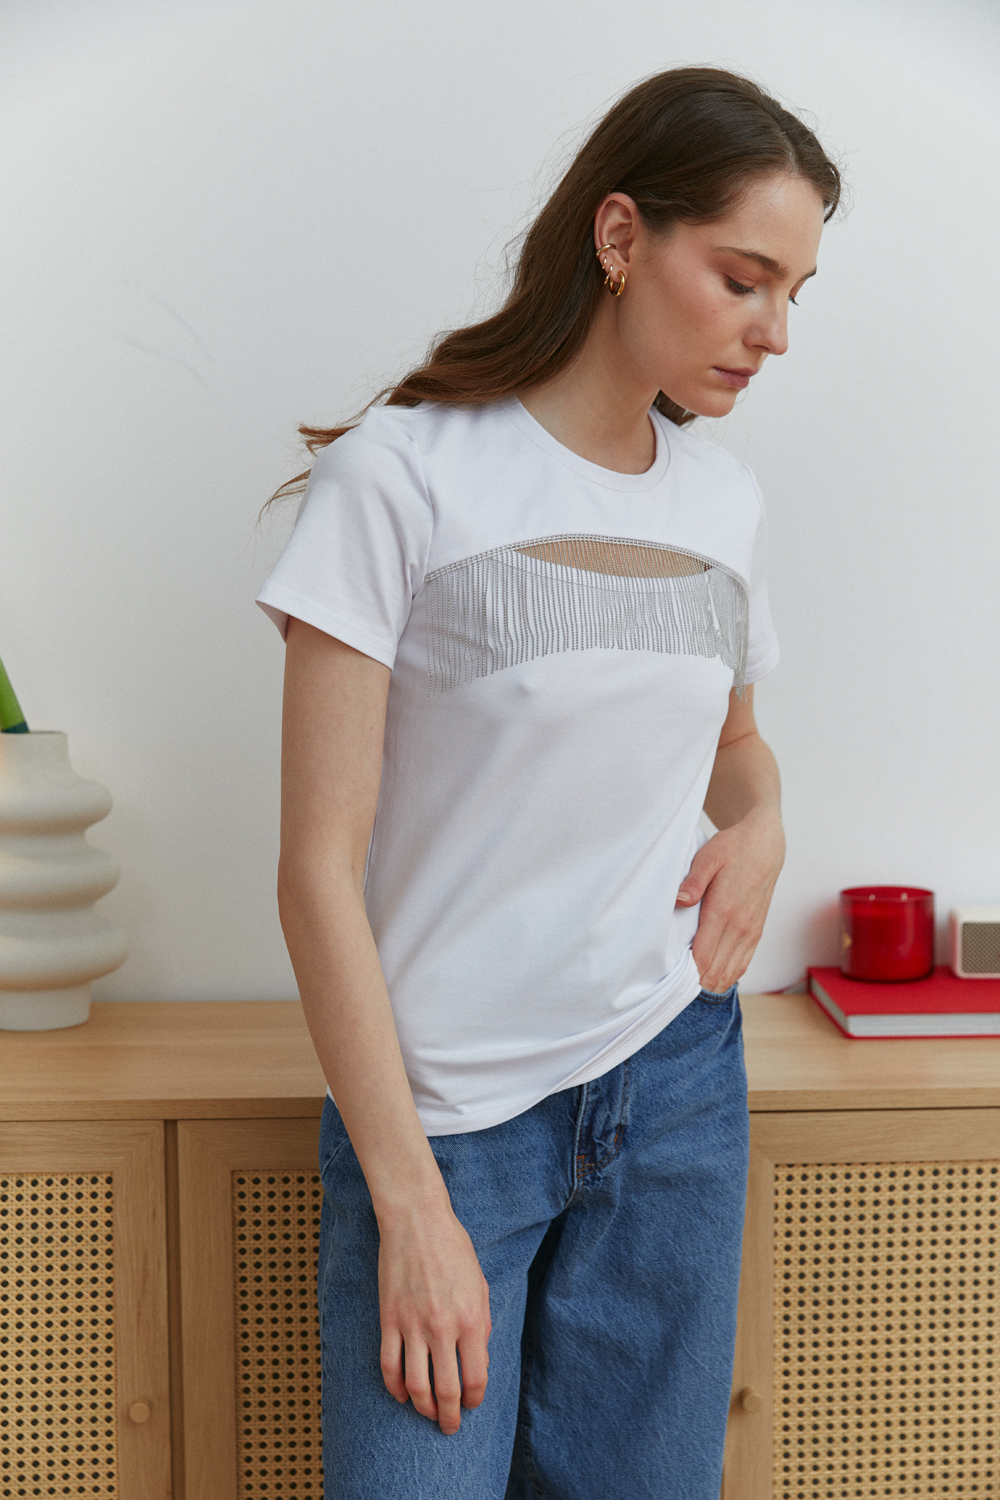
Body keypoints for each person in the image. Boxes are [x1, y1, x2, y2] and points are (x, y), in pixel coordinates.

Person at [257, 65, 839, 1500]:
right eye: (744, 277)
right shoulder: (405, 476)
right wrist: (408, 1198)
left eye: (796, 294)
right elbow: (315, 868)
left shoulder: (724, 503)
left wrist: (764, 823)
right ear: (622, 233)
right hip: (447, 1119)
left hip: (676, 1082)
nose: (772, 332)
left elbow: (735, 749)